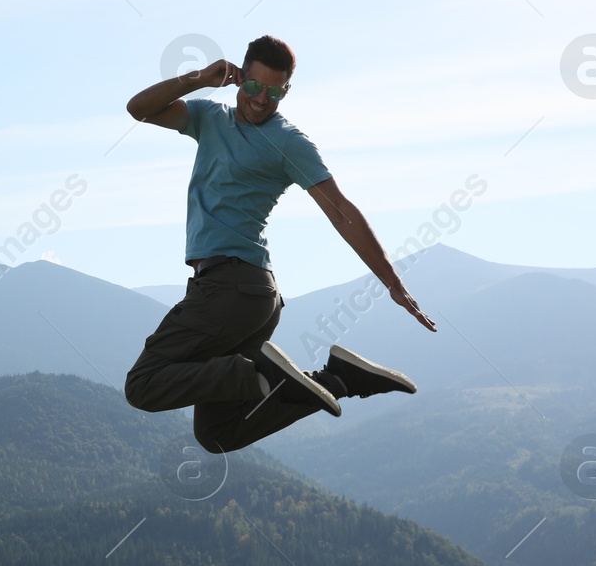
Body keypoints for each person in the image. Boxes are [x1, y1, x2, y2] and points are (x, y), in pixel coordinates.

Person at [122, 35, 436, 454]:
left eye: (275, 92)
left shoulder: (289, 142)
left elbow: (340, 211)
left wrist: (393, 282)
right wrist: (198, 78)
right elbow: (138, 109)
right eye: (253, 87)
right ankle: (340, 379)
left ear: (287, 91)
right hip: (248, 298)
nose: (261, 100)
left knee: (142, 384)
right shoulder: (208, 119)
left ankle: (258, 373)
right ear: (238, 80)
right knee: (218, 434)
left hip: (232, 287)